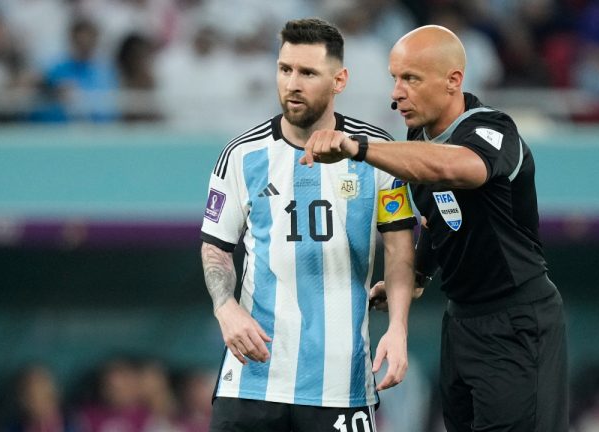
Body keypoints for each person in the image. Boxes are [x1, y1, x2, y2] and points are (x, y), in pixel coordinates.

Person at [301, 25, 569, 432]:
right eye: (394, 78)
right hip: (461, 322)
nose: (396, 93)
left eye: (410, 78)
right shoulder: (417, 139)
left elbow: (451, 168)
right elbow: (441, 216)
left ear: (453, 81)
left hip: (517, 319)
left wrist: (358, 147)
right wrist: (419, 272)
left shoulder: (493, 131)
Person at [199, 18, 417, 432]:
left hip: (341, 385)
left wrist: (399, 328)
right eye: (285, 70)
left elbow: (400, 248)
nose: (292, 83)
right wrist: (225, 308)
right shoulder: (242, 156)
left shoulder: (379, 155)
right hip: (251, 382)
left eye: (308, 73)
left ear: (340, 80)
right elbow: (215, 246)